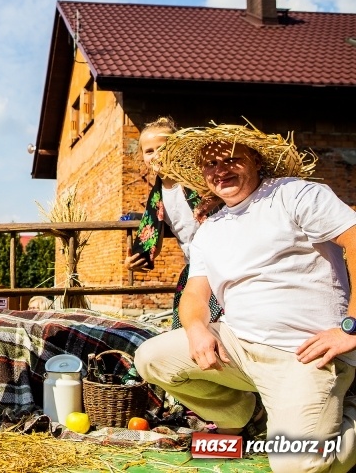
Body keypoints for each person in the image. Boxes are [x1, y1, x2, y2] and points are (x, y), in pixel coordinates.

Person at [134, 123, 356, 473]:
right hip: (239, 347)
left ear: (255, 160)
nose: (220, 170)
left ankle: (345, 409)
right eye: (210, 165)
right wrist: (195, 329)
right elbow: (195, 293)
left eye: (231, 159)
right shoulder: (211, 227)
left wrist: (350, 327)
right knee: (151, 357)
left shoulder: (295, 194)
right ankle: (238, 413)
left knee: (298, 465)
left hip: (304, 352)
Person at [125, 117, 222, 329]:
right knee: (188, 329)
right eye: (149, 151)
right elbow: (152, 241)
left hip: (223, 264)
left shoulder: (200, 181)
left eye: (163, 148)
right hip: (194, 268)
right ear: (142, 156)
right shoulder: (157, 197)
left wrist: (214, 197)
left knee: (220, 327)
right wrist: (136, 260)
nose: (156, 155)